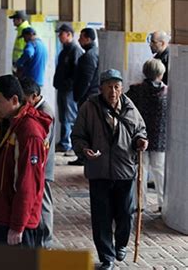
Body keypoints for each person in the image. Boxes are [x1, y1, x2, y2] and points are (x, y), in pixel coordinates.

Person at [71, 69, 148, 270]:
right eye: (108, 87)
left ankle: (121, 244)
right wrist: (83, 150)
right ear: (101, 88)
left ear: (121, 88)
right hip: (99, 171)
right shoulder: (89, 108)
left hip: (125, 170)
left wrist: (141, 140)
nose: (113, 92)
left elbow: (140, 130)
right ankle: (107, 257)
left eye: (116, 87)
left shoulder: (130, 108)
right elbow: (77, 136)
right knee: (101, 217)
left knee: (126, 212)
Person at [0, 75, 51, 247]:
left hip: (14, 223)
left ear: (14, 100)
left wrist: (17, 225)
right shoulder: (6, 123)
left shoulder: (29, 133)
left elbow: (28, 184)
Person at [126, 59, 168, 212]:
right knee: (159, 170)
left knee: (140, 170)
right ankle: (163, 203)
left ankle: (140, 203)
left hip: (139, 136)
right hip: (160, 138)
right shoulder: (167, 92)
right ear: (161, 74)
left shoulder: (136, 91)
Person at [19, 77, 55, 248]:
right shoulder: (36, 108)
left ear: (34, 97)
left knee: (44, 204)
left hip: (43, 166)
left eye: (25, 100)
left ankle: (45, 240)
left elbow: (42, 142)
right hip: (39, 164)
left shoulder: (45, 111)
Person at [70, 27, 99, 166]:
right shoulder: (92, 53)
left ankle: (83, 156)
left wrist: (79, 96)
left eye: (81, 37)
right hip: (89, 96)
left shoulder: (89, 56)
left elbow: (85, 80)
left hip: (87, 97)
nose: (79, 40)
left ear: (88, 38)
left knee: (84, 128)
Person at [53, 23, 84, 156]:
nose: (60, 37)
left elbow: (76, 72)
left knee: (69, 116)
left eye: (61, 34)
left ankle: (69, 144)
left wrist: (68, 84)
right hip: (62, 88)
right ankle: (64, 142)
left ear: (69, 34)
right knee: (63, 116)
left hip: (69, 90)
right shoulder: (65, 49)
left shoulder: (74, 50)